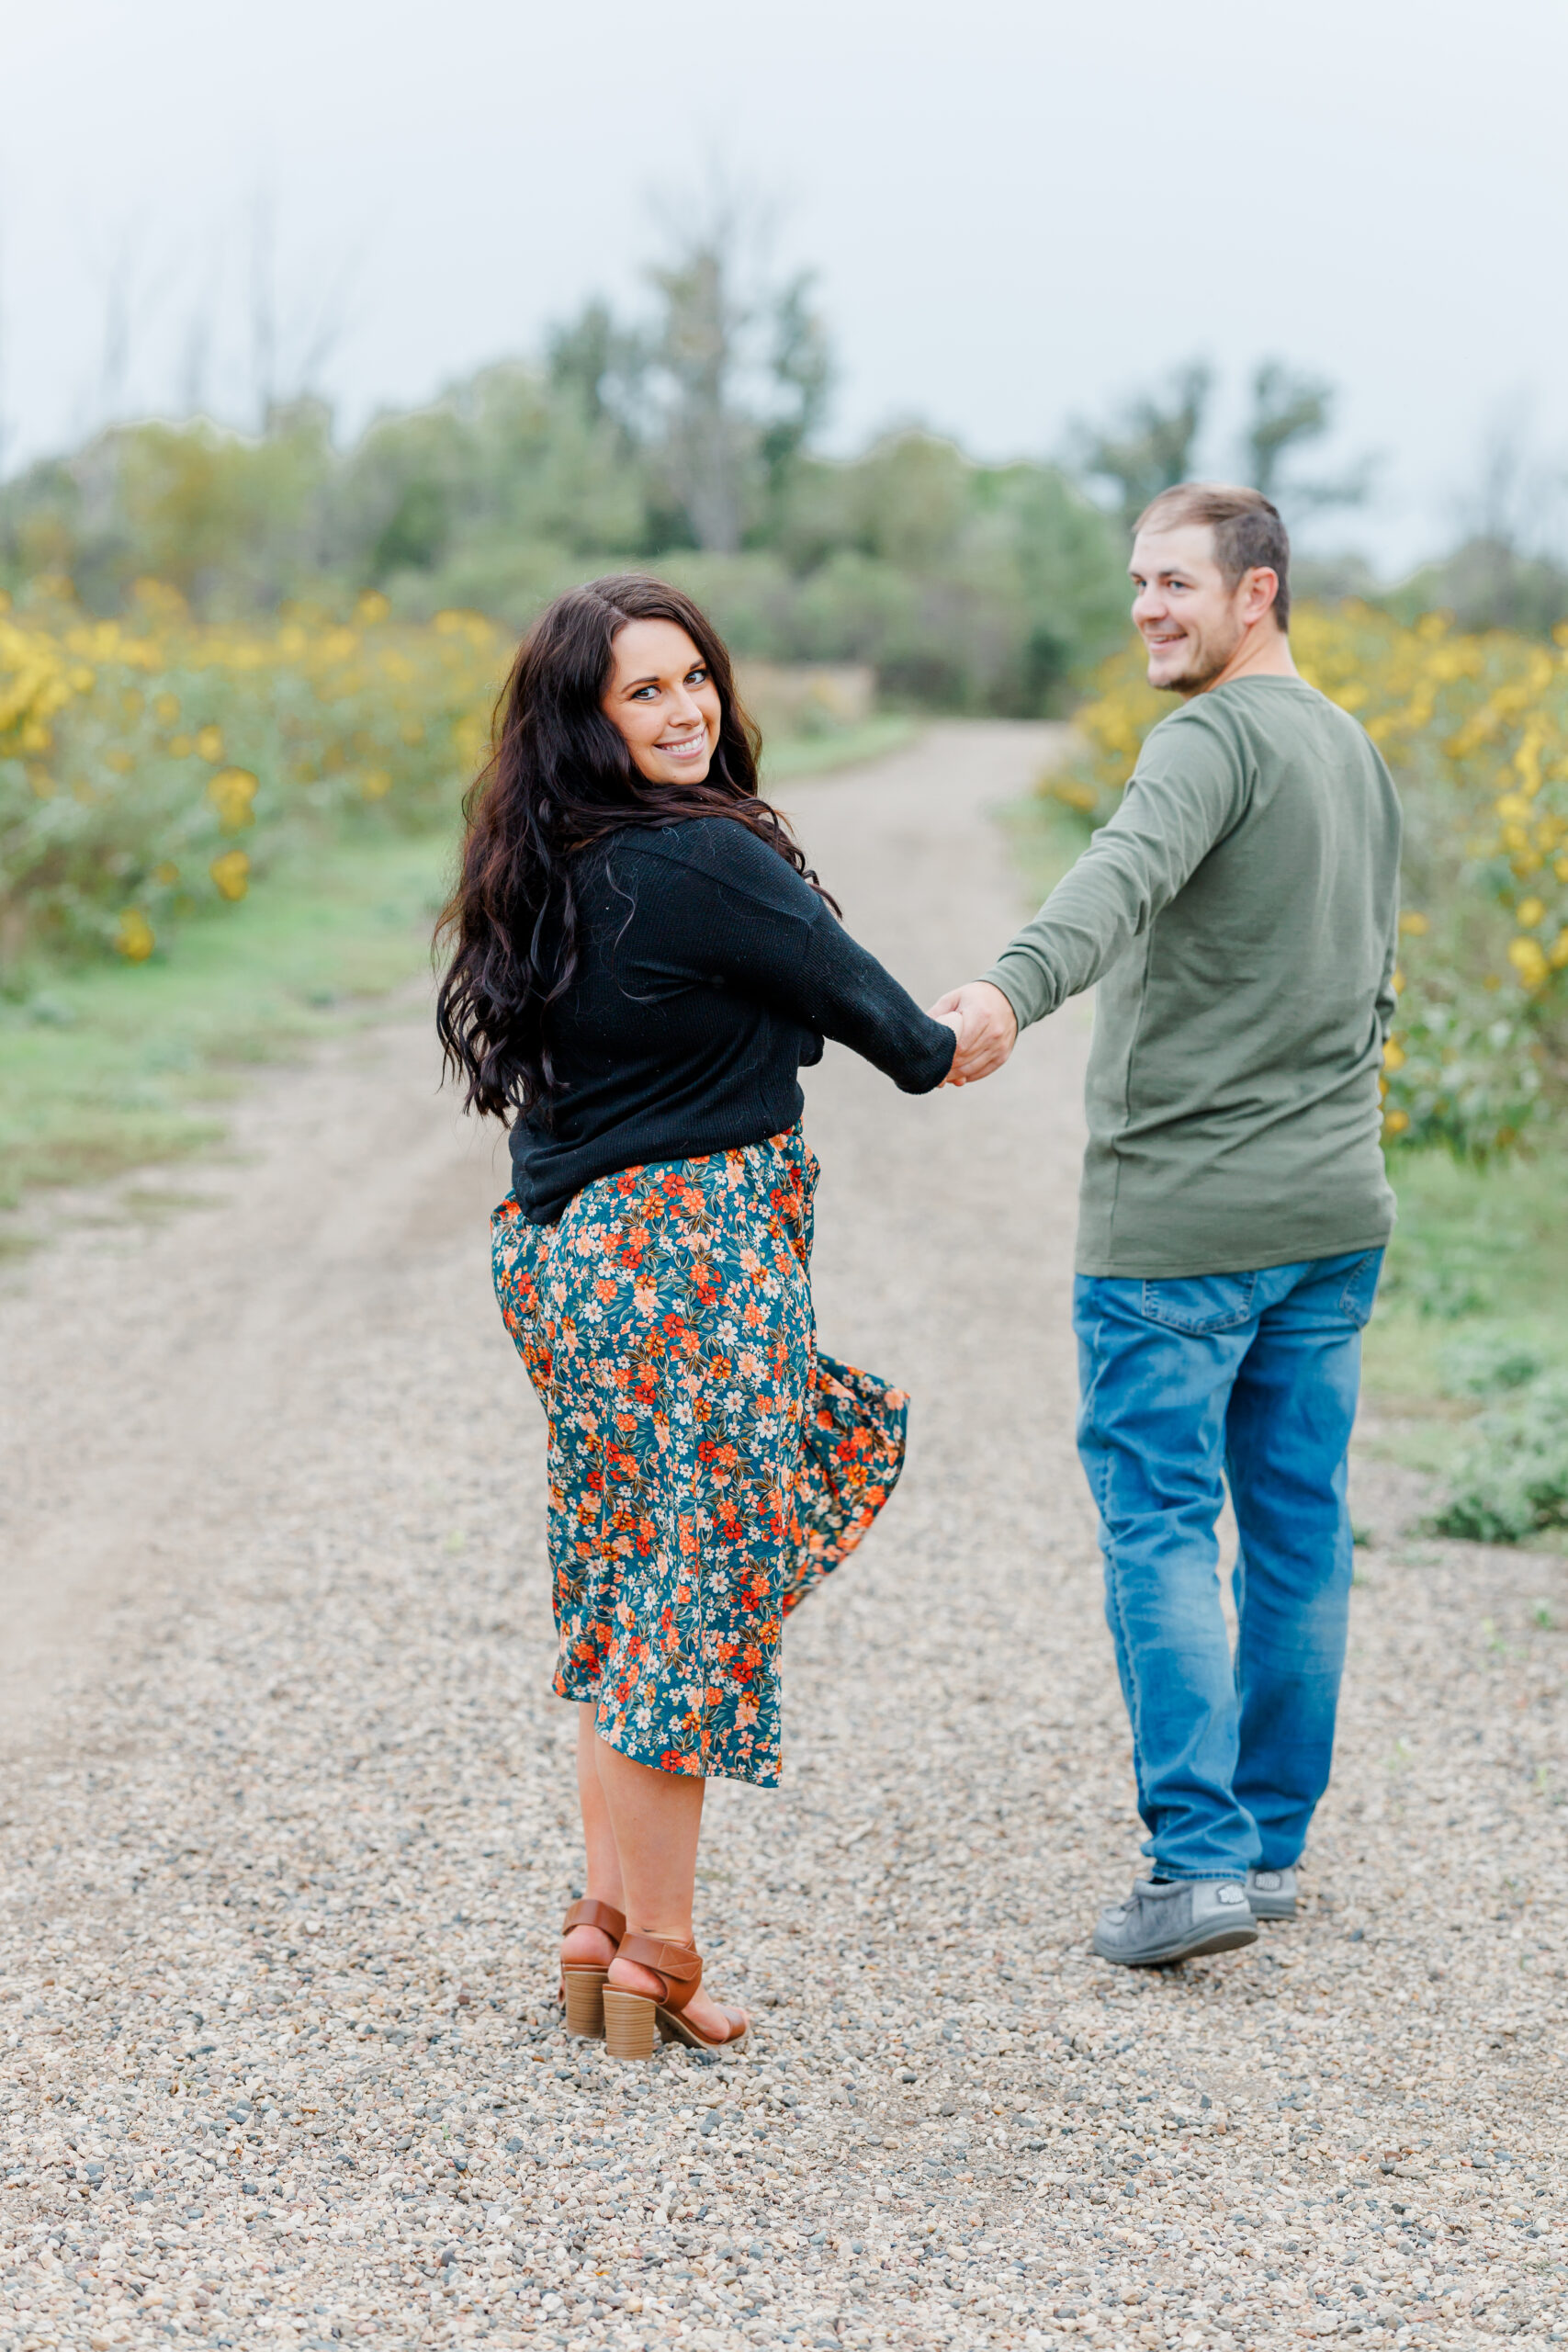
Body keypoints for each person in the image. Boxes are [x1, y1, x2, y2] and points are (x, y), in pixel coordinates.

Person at [435, 575, 961, 2054]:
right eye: (642, 694)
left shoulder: (546, 855)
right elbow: (908, 1042)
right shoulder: (708, 859)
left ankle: (601, 1920)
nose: (684, 711)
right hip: (693, 1259)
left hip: (568, 1262)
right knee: (696, 1601)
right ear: (587, 723)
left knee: (630, 1577)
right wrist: (988, 1015)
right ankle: (662, 1952)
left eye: (693, 680)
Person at [934, 485, 1401, 1968]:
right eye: (1139, 580)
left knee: (1159, 1525)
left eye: (1178, 583)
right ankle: (1263, 1849)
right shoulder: (1350, 746)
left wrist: (1005, 991)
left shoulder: (1209, 740)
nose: (1149, 606)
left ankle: (1196, 1862)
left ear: (1255, 593)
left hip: (1182, 1229)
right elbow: (1375, 978)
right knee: (1298, 1534)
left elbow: (1114, 883)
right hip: (1335, 1215)